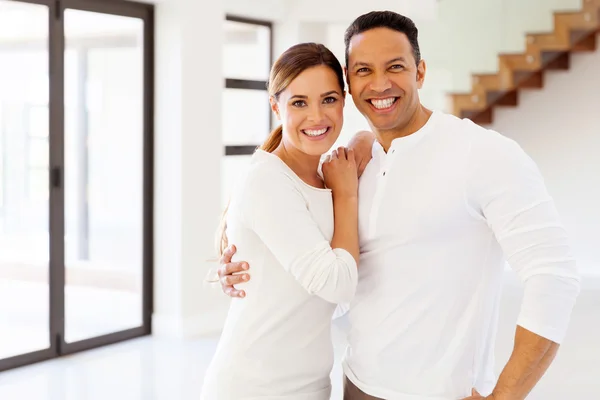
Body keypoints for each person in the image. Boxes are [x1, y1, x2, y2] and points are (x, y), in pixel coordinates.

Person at [217, 11, 581, 400]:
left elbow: (554, 275)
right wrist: (256, 275)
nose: (379, 84)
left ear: (420, 72)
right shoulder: (349, 167)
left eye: (395, 67)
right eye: (363, 71)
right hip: (353, 385)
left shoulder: (484, 154)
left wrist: (504, 396)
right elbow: (350, 285)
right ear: (350, 83)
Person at [200, 42, 364, 400]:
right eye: (299, 102)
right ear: (275, 105)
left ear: (344, 100)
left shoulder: (326, 174)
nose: (317, 117)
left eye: (329, 99)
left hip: (309, 384)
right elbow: (337, 285)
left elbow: (332, 296)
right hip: (254, 386)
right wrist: (347, 196)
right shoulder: (268, 181)